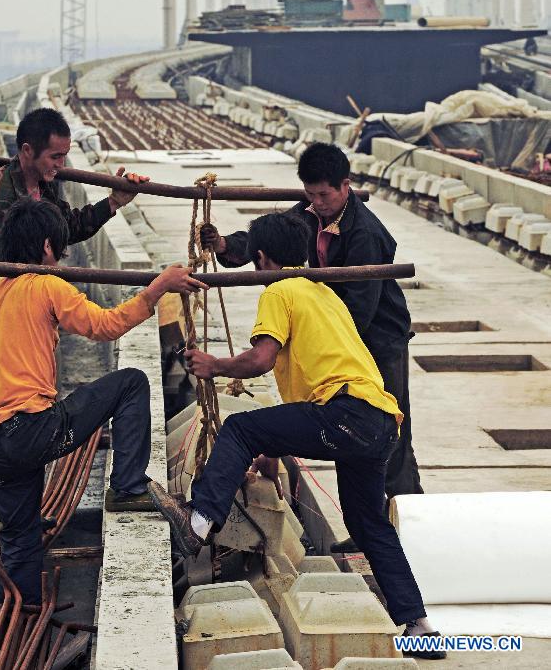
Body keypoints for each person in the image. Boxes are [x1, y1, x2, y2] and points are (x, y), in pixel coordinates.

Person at [149, 214, 443, 659]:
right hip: (380, 420)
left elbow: (262, 359)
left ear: (261, 259)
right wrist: (275, 447)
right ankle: (418, 623)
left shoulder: (279, 290)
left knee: (241, 427)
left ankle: (198, 522)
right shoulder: (323, 293)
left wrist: (215, 365)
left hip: (345, 412)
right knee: (368, 523)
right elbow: (307, 396)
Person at [0, 198, 207, 604]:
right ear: (48, 247)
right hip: (34, 429)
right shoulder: (46, 284)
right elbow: (105, 326)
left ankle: (23, 610)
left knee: (21, 537)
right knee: (131, 384)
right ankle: (127, 485)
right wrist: (158, 287)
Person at [0, 107, 149, 539]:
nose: (61, 166)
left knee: (17, 409)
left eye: (64, 157)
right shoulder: (2, 199)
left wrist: (114, 201)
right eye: (54, 158)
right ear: (26, 151)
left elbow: (66, 228)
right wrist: (25, 316)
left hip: (11, 306)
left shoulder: (40, 187)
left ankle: (13, 513)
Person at [201, 142, 422, 499]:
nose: (317, 202)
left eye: (324, 194)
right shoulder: (310, 213)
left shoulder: (365, 234)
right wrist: (226, 244)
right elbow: (271, 238)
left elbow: (362, 308)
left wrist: (315, 335)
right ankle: (366, 522)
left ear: (345, 186)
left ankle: (408, 513)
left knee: (390, 430)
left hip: (379, 340)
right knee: (352, 437)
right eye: (310, 194)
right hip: (340, 328)